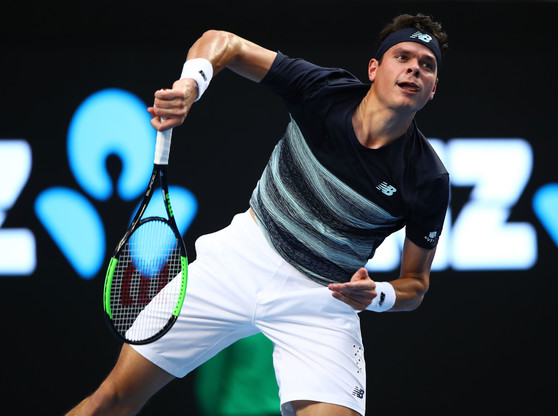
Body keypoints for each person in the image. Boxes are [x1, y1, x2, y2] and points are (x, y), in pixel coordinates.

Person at [67, 12, 449, 416]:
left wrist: (380, 295)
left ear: (433, 89)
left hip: (321, 299)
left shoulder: (426, 178)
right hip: (240, 258)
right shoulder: (323, 92)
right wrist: (189, 86)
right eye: (403, 56)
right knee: (112, 401)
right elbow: (224, 43)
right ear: (374, 68)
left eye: (427, 65)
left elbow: (416, 285)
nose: (414, 68)